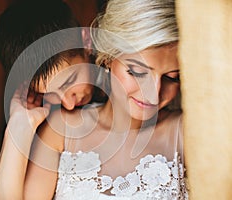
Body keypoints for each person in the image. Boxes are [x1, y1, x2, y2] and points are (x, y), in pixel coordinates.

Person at [23, 0, 188, 199]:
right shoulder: (61, 131)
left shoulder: (186, 133)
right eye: (137, 72)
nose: (154, 94)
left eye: (172, 77)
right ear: (108, 58)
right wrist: (16, 126)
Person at [0, 0, 105, 199]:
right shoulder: (46, 119)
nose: (67, 103)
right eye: (48, 93)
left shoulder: (129, 88)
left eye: (69, 81)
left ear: (85, 41)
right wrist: (18, 126)